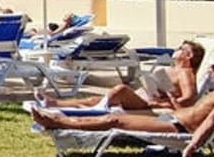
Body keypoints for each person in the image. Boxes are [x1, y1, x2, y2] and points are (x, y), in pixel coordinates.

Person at [30, 50, 214, 157]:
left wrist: (191, 147)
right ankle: (58, 118)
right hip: (172, 119)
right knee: (116, 116)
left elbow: (210, 121)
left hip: (178, 128)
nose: (211, 73)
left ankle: (58, 122)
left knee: (115, 121)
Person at [36, 40, 202, 112]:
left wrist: (167, 101)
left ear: (189, 56)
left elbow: (190, 97)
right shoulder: (175, 69)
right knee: (95, 99)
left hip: (149, 104)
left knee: (120, 90)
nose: (177, 49)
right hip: (144, 99)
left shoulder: (185, 72)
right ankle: (54, 103)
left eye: (181, 48)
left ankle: (97, 112)